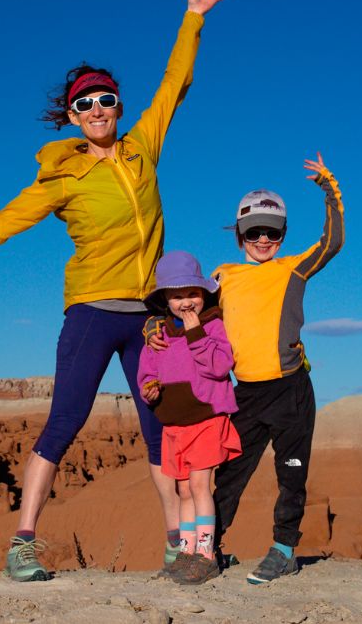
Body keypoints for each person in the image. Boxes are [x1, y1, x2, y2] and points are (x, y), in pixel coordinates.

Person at [0, 0, 229, 582]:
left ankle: (176, 545)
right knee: (65, 420)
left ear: (119, 106)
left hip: (149, 317)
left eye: (106, 100)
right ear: (71, 116)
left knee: (161, 425)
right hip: (92, 311)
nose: (97, 111)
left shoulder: (143, 146)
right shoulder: (60, 177)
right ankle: (22, 543)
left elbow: (175, 84)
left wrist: (192, 16)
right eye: (84, 104)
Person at [146, 153, 344, 584]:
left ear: (282, 235)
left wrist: (329, 188)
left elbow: (331, 243)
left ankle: (284, 549)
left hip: (291, 389)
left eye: (271, 233)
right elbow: (185, 310)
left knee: (291, 474)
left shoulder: (293, 269)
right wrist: (151, 327)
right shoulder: (223, 276)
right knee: (230, 476)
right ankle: (209, 552)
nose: (262, 239)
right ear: (239, 236)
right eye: (253, 232)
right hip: (245, 394)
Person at [137, 251, 241, 585]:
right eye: (177, 296)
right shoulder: (158, 335)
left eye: (192, 294)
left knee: (199, 485)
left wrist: (196, 333)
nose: (186, 302)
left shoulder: (213, 326)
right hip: (175, 426)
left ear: (204, 294)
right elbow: (146, 372)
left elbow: (220, 366)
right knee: (183, 491)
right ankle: (186, 551)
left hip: (206, 419)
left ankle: (206, 555)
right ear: (165, 300)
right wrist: (148, 390)